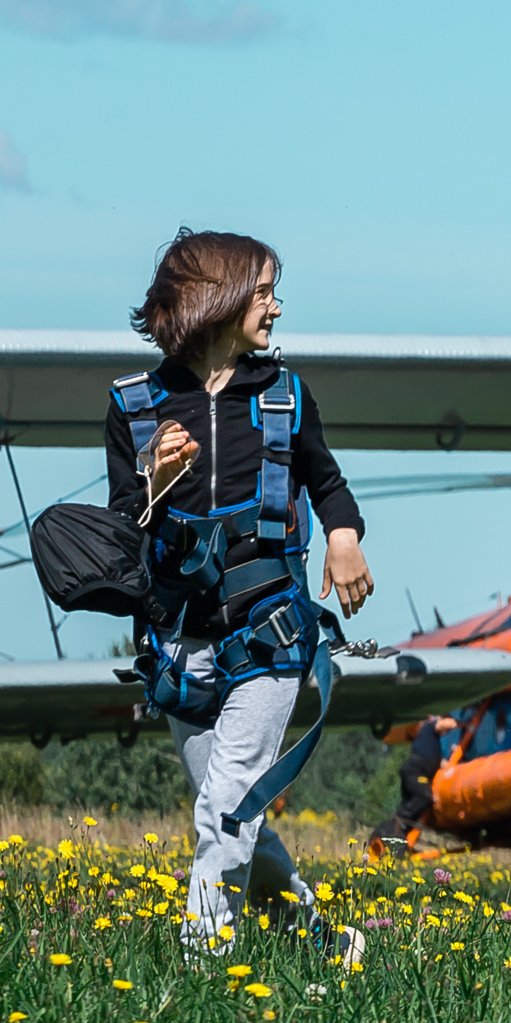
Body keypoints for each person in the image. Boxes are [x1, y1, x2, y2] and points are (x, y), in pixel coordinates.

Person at [103, 229, 375, 965]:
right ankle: (325, 943)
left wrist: (343, 537)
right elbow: (124, 521)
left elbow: (327, 482)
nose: (277, 308)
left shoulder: (288, 394)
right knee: (236, 815)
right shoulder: (134, 406)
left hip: (269, 635)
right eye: (263, 293)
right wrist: (154, 484)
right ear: (215, 300)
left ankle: (201, 959)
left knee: (225, 803)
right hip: (177, 647)